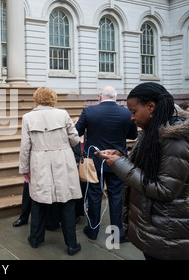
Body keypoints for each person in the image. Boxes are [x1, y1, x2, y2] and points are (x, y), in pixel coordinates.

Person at [97, 82, 189, 260]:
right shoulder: (154, 128)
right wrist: (121, 156)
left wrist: (120, 164)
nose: (132, 118)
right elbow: (151, 163)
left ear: (151, 107)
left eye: (134, 111)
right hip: (157, 228)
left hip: (168, 234)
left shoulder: (175, 140)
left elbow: (166, 190)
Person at [19, 87, 82, 256]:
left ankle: (35, 239)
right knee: (67, 201)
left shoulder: (27, 117)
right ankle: (72, 245)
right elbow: (75, 140)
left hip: (39, 161)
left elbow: (25, 147)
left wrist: (24, 169)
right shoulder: (63, 114)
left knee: (38, 201)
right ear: (53, 98)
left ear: (36, 99)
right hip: (63, 159)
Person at [75, 86, 137, 241]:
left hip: (94, 161)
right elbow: (133, 134)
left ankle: (93, 230)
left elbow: (77, 132)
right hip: (118, 161)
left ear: (100, 97)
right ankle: (117, 235)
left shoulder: (89, 112)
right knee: (117, 197)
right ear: (115, 98)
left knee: (94, 195)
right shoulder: (126, 113)